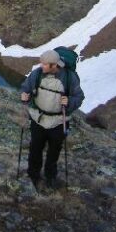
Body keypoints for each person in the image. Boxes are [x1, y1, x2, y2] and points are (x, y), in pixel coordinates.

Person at [20, 49, 84, 189]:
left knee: (54, 152)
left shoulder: (69, 77)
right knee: (35, 149)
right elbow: (25, 87)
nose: (41, 66)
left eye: (44, 64)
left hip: (59, 122)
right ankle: (33, 175)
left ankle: (50, 177)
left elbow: (79, 97)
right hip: (38, 119)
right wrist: (25, 95)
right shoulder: (37, 74)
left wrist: (70, 102)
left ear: (54, 65)